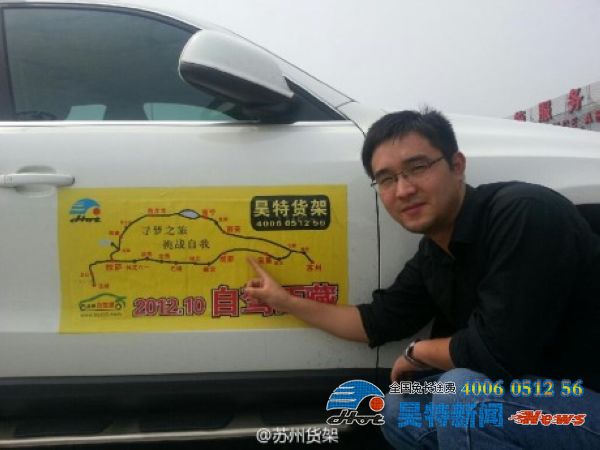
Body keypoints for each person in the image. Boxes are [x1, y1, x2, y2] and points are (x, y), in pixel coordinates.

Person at [244, 109, 600, 448]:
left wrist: (417, 353)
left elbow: (497, 352)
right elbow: (376, 321)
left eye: (417, 168)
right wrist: (283, 300)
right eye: (387, 179)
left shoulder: (523, 213)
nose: (403, 190)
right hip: (531, 400)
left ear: (457, 165)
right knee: (399, 408)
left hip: (585, 401)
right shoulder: (435, 252)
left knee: (460, 395)